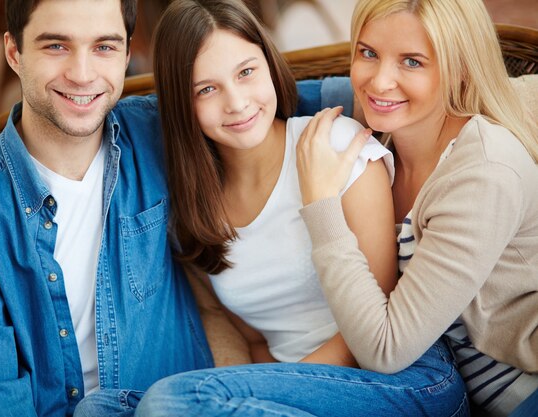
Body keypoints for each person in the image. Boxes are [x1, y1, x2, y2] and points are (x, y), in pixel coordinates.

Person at [0, 0, 355, 416]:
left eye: (104, 47)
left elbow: (283, 99)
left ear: (127, 54)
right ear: (14, 51)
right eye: (56, 46)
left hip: (186, 401)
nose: (83, 74)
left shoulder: (162, 131)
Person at [89, 1, 467, 416]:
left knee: (171, 402)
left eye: (246, 72)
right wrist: (259, 397)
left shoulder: (336, 146)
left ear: (269, 65)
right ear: (184, 105)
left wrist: (259, 392)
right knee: (101, 409)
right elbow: (255, 342)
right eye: (207, 89)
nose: (236, 103)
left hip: (400, 381)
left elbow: (380, 320)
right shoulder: (196, 206)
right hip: (290, 393)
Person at [292, 0, 538, 416]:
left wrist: (322, 206)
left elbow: (384, 351)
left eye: (412, 61)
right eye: (368, 52)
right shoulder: (381, 125)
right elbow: (268, 97)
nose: (379, 81)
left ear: (459, 68)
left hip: (522, 389)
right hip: (444, 382)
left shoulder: (483, 171)